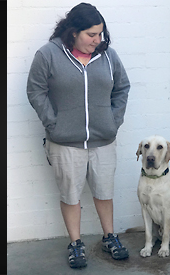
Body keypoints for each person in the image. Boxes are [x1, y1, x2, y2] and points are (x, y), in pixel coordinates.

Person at [26, 2, 130, 269]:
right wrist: (53, 123)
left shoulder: (108, 56)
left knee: (104, 192)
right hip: (65, 143)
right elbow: (35, 90)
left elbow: (122, 88)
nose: (97, 41)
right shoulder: (48, 54)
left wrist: (113, 121)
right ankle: (76, 244)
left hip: (103, 140)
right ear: (73, 32)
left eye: (100, 34)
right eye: (91, 35)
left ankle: (110, 237)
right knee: (70, 195)